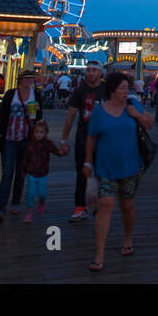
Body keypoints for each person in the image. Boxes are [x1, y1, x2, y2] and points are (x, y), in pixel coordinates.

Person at [83, 71, 154, 272]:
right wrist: (88, 162)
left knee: (128, 206)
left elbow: (150, 125)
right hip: (105, 167)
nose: (126, 92)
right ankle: (99, 254)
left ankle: (127, 237)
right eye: (122, 88)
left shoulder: (133, 106)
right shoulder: (99, 112)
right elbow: (91, 138)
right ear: (112, 90)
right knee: (105, 206)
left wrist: (137, 115)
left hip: (130, 166)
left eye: (127, 88)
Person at [0, 69, 42, 221]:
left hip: (26, 138)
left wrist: (38, 111)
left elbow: (38, 118)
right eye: (26, 79)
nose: (29, 81)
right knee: (7, 172)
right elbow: (2, 115)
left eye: (31, 79)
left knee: (21, 173)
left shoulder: (36, 95)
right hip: (10, 137)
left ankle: (15, 202)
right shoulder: (10, 94)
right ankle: (1, 206)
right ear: (20, 80)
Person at [61, 60, 105, 222]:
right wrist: (64, 139)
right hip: (83, 137)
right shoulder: (80, 91)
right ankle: (80, 207)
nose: (90, 73)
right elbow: (71, 116)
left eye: (94, 70)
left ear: (100, 73)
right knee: (82, 173)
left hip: (102, 139)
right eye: (88, 70)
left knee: (101, 174)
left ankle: (98, 207)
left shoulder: (106, 91)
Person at [23, 119, 68, 221]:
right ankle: (29, 213)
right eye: (36, 132)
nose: (38, 135)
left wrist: (64, 152)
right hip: (32, 173)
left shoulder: (48, 144)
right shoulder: (31, 144)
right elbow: (26, 158)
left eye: (41, 132)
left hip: (43, 174)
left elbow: (57, 152)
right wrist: (24, 170)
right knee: (30, 193)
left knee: (42, 194)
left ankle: (42, 203)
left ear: (46, 133)